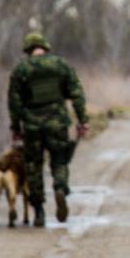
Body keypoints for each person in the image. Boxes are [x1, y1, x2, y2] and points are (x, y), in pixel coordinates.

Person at [8, 31, 89, 227]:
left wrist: (16, 127)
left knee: (33, 166)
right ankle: (60, 187)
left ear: (28, 50)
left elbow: (14, 102)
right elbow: (77, 93)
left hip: (32, 126)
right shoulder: (61, 65)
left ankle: (39, 211)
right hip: (57, 123)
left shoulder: (21, 69)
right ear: (45, 47)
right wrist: (82, 120)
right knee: (60, 160)